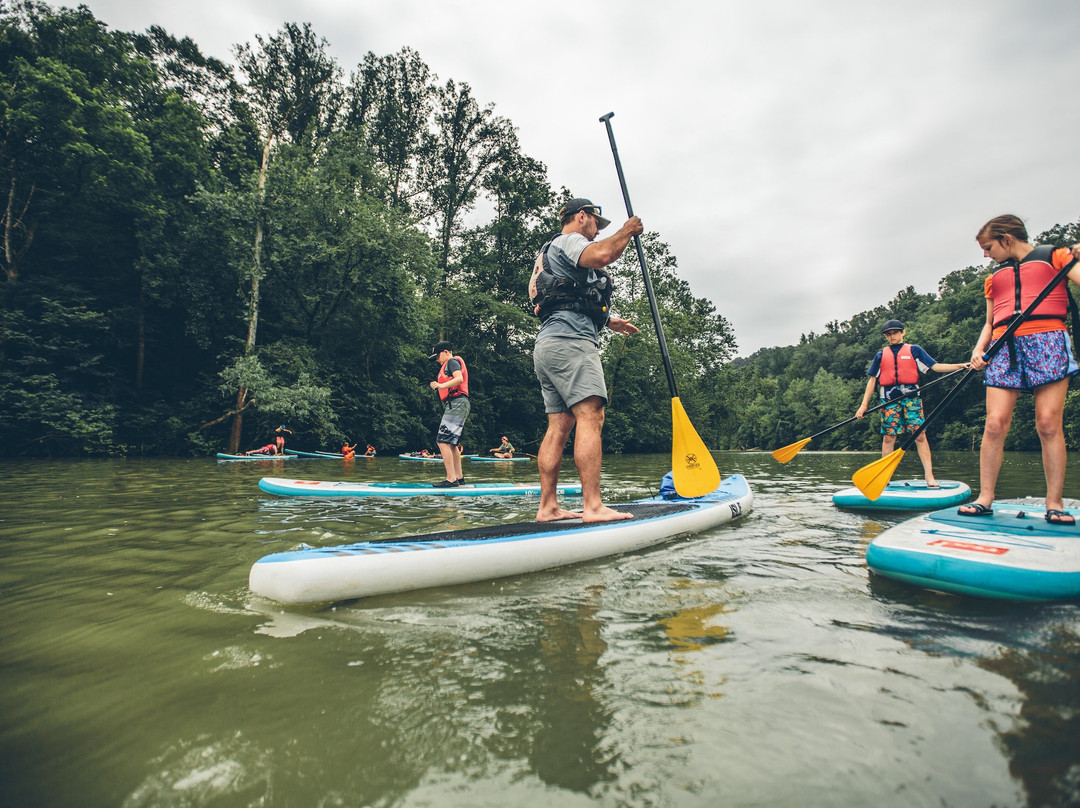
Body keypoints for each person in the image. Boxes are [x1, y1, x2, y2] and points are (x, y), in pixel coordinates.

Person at [959, 214, 1080, 524]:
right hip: (1003, 346)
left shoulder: (1056, 256)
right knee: (995, 423)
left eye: (988, 247)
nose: (985, 254)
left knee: (1048, 424)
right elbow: (989, 321)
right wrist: (978, 349)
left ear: (1007, 239)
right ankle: (985, 498)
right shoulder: (993, 277)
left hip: (1048, 340)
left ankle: (1055, 502)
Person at [529, 198, 641, 522]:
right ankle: (593, 506)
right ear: (582, 217)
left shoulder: (549, 250)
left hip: (548, 345)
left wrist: (609, 321)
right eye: (595, 224)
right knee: (591, 415)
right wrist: (627, 231)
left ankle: (548, 507)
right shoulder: (572, 240)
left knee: (558, 426)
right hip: (572, 345)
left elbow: (566, 298)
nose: (595, 232)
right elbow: (603, 254)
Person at [855, 319, 969, 487]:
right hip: (889, 399)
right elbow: (872, 380)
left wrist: (961, 366)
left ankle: (929, 476)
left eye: (895, 333)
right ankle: (884, 477)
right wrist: (863, 405)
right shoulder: (880, 355)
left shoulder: (915, 350)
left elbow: (936, 367)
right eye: (888, 334)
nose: (892, 336)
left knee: (920, 435)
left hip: (911, 398)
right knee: (889, 436)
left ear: (903, 332)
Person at [428, 340, 470, 487]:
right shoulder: (449, 363)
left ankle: (451, 479)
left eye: (438, 357)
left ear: (446, 352)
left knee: (442, 440)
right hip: (458, 403)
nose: (438, 361)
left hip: (458, 402)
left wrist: (440, 385)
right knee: (452, 443)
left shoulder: (452, 361)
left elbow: (459, 379)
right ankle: (459, 478)